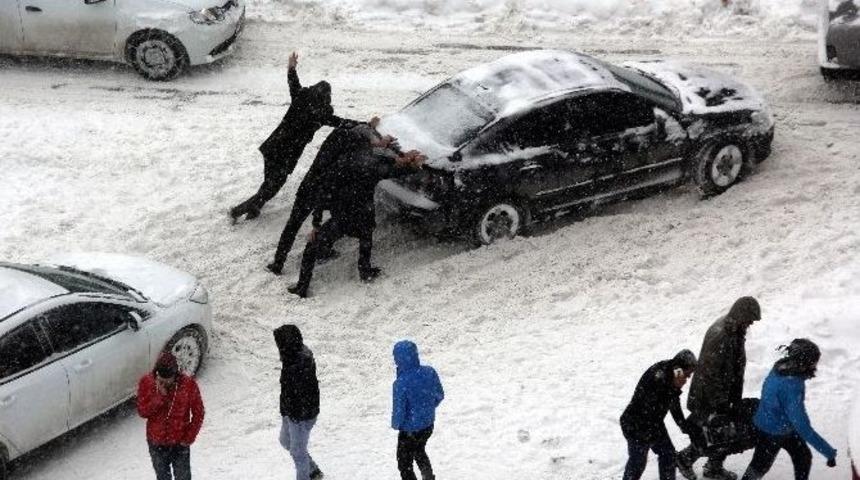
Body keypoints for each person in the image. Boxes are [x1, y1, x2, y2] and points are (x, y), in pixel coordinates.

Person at [287, 124, 424, 298]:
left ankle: (302, 286)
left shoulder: (341, 164)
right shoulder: (373, 164)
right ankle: (365, 272)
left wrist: (316, 223)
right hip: (363, 215)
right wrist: (410, 166)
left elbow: (323, 194)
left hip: (342, 216)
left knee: (312, 246)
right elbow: (391, 169)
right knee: (365, 241)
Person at [230, 51, 360, 222]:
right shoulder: (321, 113)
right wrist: (364, 124)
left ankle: (254, 208)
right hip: (286, 153)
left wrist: (291, 66)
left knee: (271, 182)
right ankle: (240, 210)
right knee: (273, 185)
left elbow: (293, 81)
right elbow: (342, 122)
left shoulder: (301, 98)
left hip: (273, 147)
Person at [265, 118, 381, 275]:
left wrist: (368, 126)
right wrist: (373, 135)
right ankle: (326, 252)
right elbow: (363, 140)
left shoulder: (338, 136)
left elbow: (350, 125)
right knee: (337, 222)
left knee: (294, 223)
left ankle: (278, 263)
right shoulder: (351, 144)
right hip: (326, 189)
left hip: (310, 185)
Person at [677, 297, 762, 480]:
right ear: (741, 314)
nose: (751, 323)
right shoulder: (722, 335)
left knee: (725, 431)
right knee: (713, 432)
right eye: (750, 319)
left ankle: (714, 467)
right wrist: (720, 403)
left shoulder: (734, 329)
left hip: (722, 393)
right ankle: (685, 459)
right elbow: (710, 374)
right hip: (708, 396)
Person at [740, 339, 837, 480]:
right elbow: (802, 426)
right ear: (804, 363)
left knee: (802, 457)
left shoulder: (780, 368)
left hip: (770, 421)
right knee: (760, 466)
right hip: (773, 431)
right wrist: (829, 453)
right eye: (813, 361)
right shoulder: (791, 386)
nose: (815, 364)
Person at [620, 350, 698, 480]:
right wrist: (672, 386)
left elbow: (673, 403)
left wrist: (683, 425)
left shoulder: (671, 375)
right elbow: (648, 406)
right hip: (635, 424)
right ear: (678, 370)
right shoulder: (660, 377)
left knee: (668, 455)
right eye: (687, 375)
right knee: (638, 462)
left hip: (653, 423)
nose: (687, 379)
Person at [137, 352, 205, 480]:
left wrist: (188, 438)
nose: (164, 383)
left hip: (180, 443)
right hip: (156, 443)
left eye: (168, 380)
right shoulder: (146, 382)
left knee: (183, 477)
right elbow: (142, 411)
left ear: (175, 375)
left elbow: (199, 412)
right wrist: (159, 398)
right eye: (161, 380)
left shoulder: (189, 385)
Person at [274, 324, 323, 480]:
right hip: (290, 412)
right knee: (285, 440)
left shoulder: (300, 365)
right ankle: (313, 470)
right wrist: (285, 410)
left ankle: (307, 475)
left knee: (297, 452)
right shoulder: (291, 359)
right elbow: (288, 390)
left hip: (300, 417)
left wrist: (297, 415)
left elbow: (307, 396)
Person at [392, 340, 444, 480]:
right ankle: (428, 477)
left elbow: (399, 412)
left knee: (404, 463)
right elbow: (439, 395)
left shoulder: (400, 383)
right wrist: (426, 410)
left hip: (409, 431)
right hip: (428, 425)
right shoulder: (430, 372)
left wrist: (396, 425)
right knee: (419, 451)